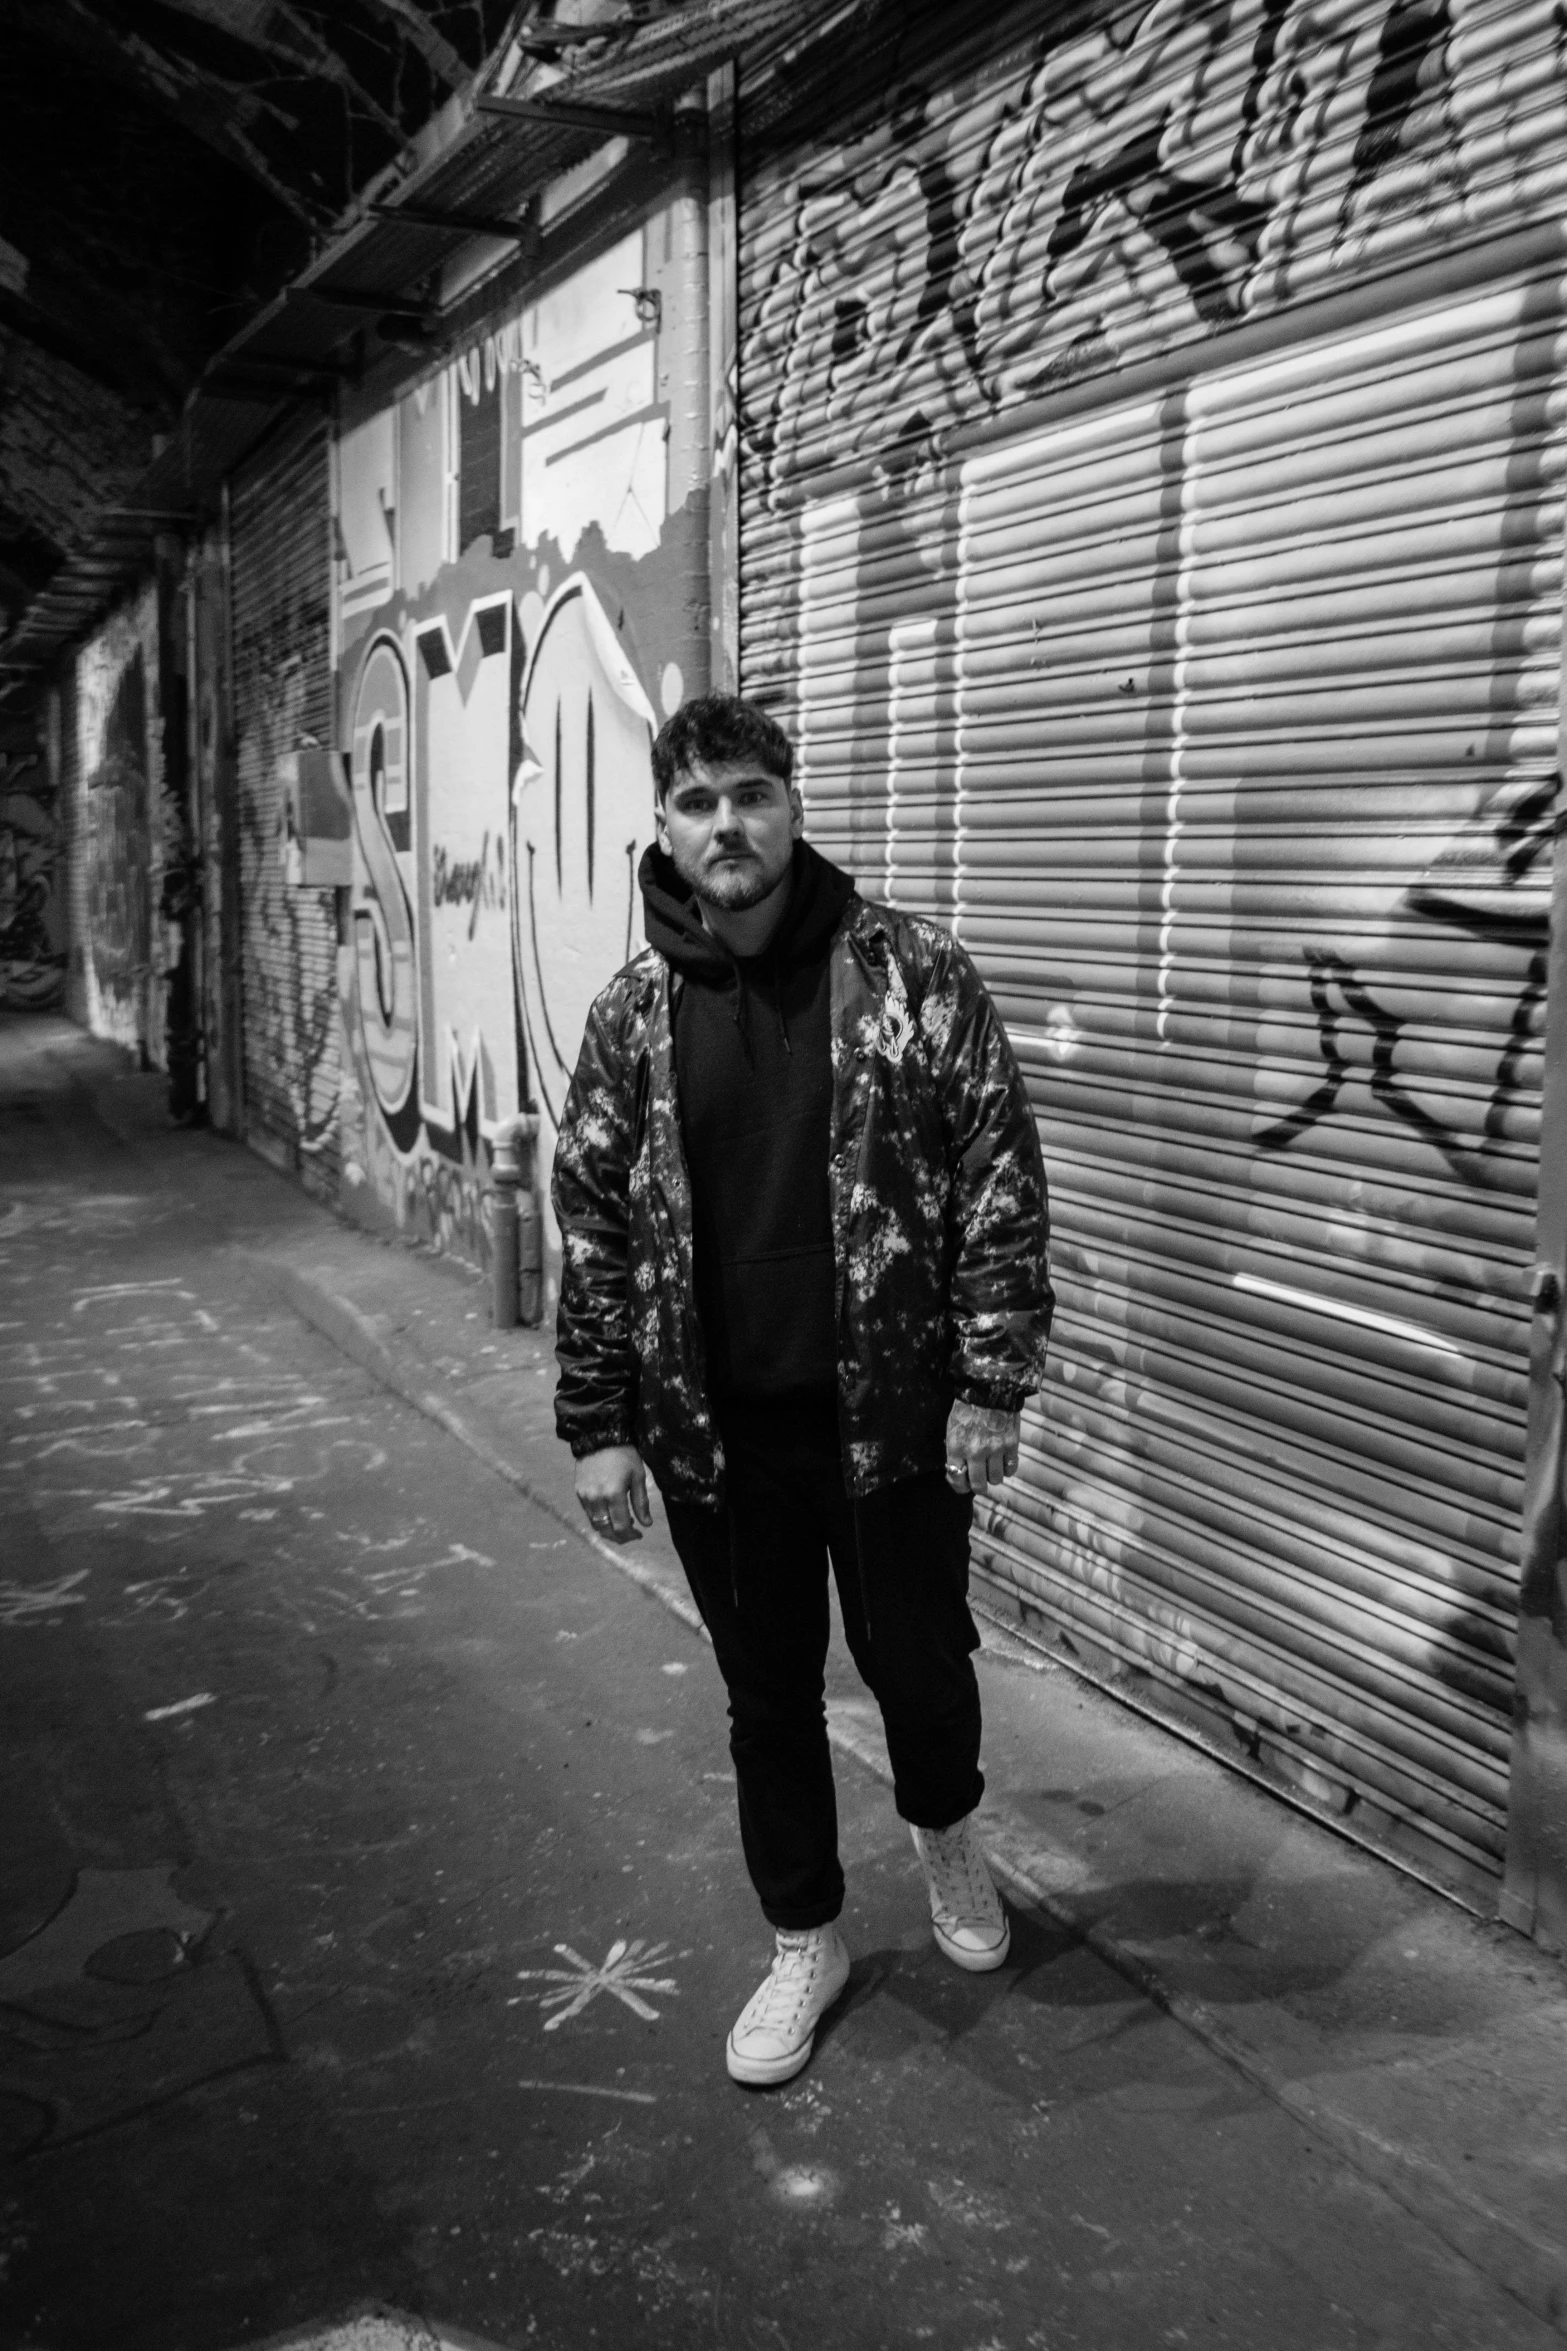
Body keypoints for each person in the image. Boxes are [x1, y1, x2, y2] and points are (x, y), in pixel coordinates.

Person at [552, 692, 1052, 2087]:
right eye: (699, 801)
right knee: (763, 1696)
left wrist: (990, 1381)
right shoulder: (632, 1015)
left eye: (751, 794)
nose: (729, 824)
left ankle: (946, 1841)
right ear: (663, 825)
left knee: (920, 1668)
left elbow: (996, 1178)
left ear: (792, 805)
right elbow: (591, 1219)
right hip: (718, 1437)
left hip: (887, 1427)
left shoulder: (908, 972)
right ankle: (805, 1937)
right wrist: (597, 1422)